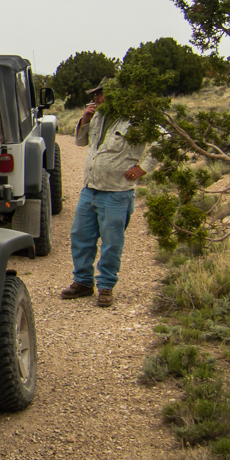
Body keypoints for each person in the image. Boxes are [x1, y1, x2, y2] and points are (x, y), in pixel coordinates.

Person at [60, 77, 157, 307]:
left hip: (117, 192)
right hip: (90, 188)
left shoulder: (137, 119)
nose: (96, 97)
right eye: (96, 94)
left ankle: (105, 287)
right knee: (81, 237)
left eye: (100, 94)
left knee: (112, 243)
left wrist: (143, 168)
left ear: (115, 95)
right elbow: (81, 143)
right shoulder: (99, 116)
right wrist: (85, 118)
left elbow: (166, 139)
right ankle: (83, 282)